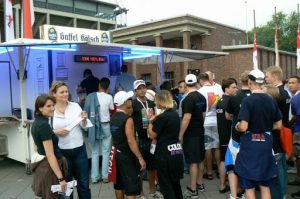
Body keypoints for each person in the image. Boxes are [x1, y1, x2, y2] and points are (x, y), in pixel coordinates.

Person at [235, 69, 282, 199]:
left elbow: (244, 126)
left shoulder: (248, 101)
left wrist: (238, 126)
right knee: (265, 185)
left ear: (250, 82)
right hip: (266, 143)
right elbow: (278, 125)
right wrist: (265, 127)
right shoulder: (270, 100)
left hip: (250, 144)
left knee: (249, 186)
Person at [50, 81, 91, 199]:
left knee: (83, 185)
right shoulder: (51, 111)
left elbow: (84, 126)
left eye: (66, 91)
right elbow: (46, 132)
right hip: (62, 153)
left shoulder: (75, 106)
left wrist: (84, 119)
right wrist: (55, 132)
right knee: (67, 188)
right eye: (61, 92)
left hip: (79, 150)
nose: (65, 94)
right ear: (54, 94)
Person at [148, 90, 184, 199]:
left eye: (156, 101)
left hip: (164, 155)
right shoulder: (174, 114)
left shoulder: (162, 117)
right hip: (176, 151)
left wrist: (150, 121)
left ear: (161, 101)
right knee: (175, 184)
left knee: (166, 185)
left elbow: (152, 135)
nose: (155, 103)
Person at [110, 90, 146, 199]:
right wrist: (140, 158)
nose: (131, 101)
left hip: (117, 155)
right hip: (127, 157)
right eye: (129, 100)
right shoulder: (127, 119)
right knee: (131, 188)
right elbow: (131, 140)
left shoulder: (113, 117)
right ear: (126, 103)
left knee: (119, 185)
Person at [31, 94, 68, 199]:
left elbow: (36, 146)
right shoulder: (43, 125)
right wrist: (61, 179)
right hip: (50, 169)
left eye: (53, 105)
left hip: (44, 167)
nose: (52, 108)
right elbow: (50, 154)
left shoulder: (37, 122)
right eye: (48, 106)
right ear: (40, 108)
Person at [131, 79, 161, 198]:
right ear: (135, 91)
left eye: (143, 87)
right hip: (140, 139)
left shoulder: (151, 102)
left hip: (151, 138)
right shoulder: (133, 104)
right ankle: (140, 193)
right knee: (140, 168)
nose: (142, 90)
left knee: (152, 167)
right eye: (139, 88)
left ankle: (152, 191)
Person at [179, 74, 207, 198]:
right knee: (200, 158)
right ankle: (200, 184)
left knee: (192, 161)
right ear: (196, 83)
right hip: (200, 130)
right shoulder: (201, 97)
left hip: (191, 133)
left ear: (186, 84)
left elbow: (186, 117)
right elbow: (203, 114)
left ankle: (193, 189)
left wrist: (180, 134)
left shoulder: (187, 99)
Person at [264, 66, 290, 199]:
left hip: (277, 134)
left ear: (274, 77)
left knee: (278, 167)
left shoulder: (276, 94)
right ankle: (283, 191)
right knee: (282, 166)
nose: (265, 79)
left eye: (267, 76)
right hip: (284, 133)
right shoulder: (285, 92)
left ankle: (280, 193)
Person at [225, 70, 251, 199]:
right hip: (252, 137)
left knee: (231, 165)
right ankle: (247, 193)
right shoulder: (258, 96)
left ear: (241, 81)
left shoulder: (234, 97)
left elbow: (228, 115)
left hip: (236, 137)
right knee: (249, 165)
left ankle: (234, 195)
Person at [84, 77, 114, 184]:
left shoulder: (91, 96)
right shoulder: (109, 97)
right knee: (106, 151)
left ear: (99, 85)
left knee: (95, 152)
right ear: (108, 87)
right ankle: (105, 176)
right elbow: (111, 108)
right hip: (105, 125)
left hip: (93, 126)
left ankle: (94, 177)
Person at [198, 73, 223, 180]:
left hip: (206, 121)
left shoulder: (200, 92)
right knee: (216, 147)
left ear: (200, 81)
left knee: (207, 147)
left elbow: (199, 109)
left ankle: (209, 172)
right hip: (216, 120)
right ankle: (219, 169)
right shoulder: (219, 89)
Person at [216, 79, 237, 194]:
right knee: (227, 160)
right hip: (229, 135)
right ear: (226, 88)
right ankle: (226, 185)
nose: (236, 89)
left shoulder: (220, 101)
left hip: (222, 134)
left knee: (224, 160)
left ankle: (222, 185)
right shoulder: (230, 101)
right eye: (233, 87)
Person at [288, 76, 300, 198]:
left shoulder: (297, 98)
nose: (290, 85)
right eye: (289, 83)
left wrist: (290, 123)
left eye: (293, 83)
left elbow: (297, 116)